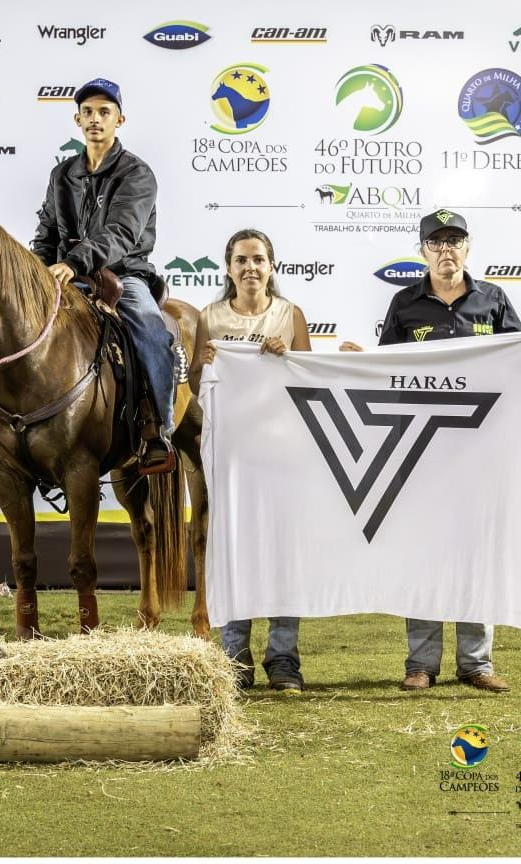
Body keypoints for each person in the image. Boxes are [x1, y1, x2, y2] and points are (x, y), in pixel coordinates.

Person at [341, 208, 521, 693]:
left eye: (455, 241)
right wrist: (356, 364)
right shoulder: (404, 303)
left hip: (479, 451)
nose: (446, 250)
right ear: (422, 251)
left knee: (477, 550)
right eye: (437, 242)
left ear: (468, 248)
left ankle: (476, 663)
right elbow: (386, 371)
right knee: (420, 551)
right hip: (419, 449)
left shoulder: (493, 298)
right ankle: (420, 665)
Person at [189, 228, 313, 693]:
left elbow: (313, 382)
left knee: (284, 554)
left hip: (283, 452)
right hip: (232, 454)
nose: (250, 268)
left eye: (258, 259)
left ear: (272, 266)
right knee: (233, 551)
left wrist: (287, 359)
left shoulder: (290, 315)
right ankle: (234, 657)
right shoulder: (210, 316)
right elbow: (197, 382)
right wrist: (202, 362)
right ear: (228, 268)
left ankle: (283, 661)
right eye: (241, 260)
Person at [31, 77, 175, 473]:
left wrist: (75, 261)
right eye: (89, 112)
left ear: (119, 120)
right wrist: (37, 273)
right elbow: (46, 232)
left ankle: (157, 428)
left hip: (123, 275)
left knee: (150, 328)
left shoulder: (137, 174)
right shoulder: (62, 175)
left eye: (104, 112)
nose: (96, 119)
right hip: (67, 275)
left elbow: (122, 233)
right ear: (77, 120)